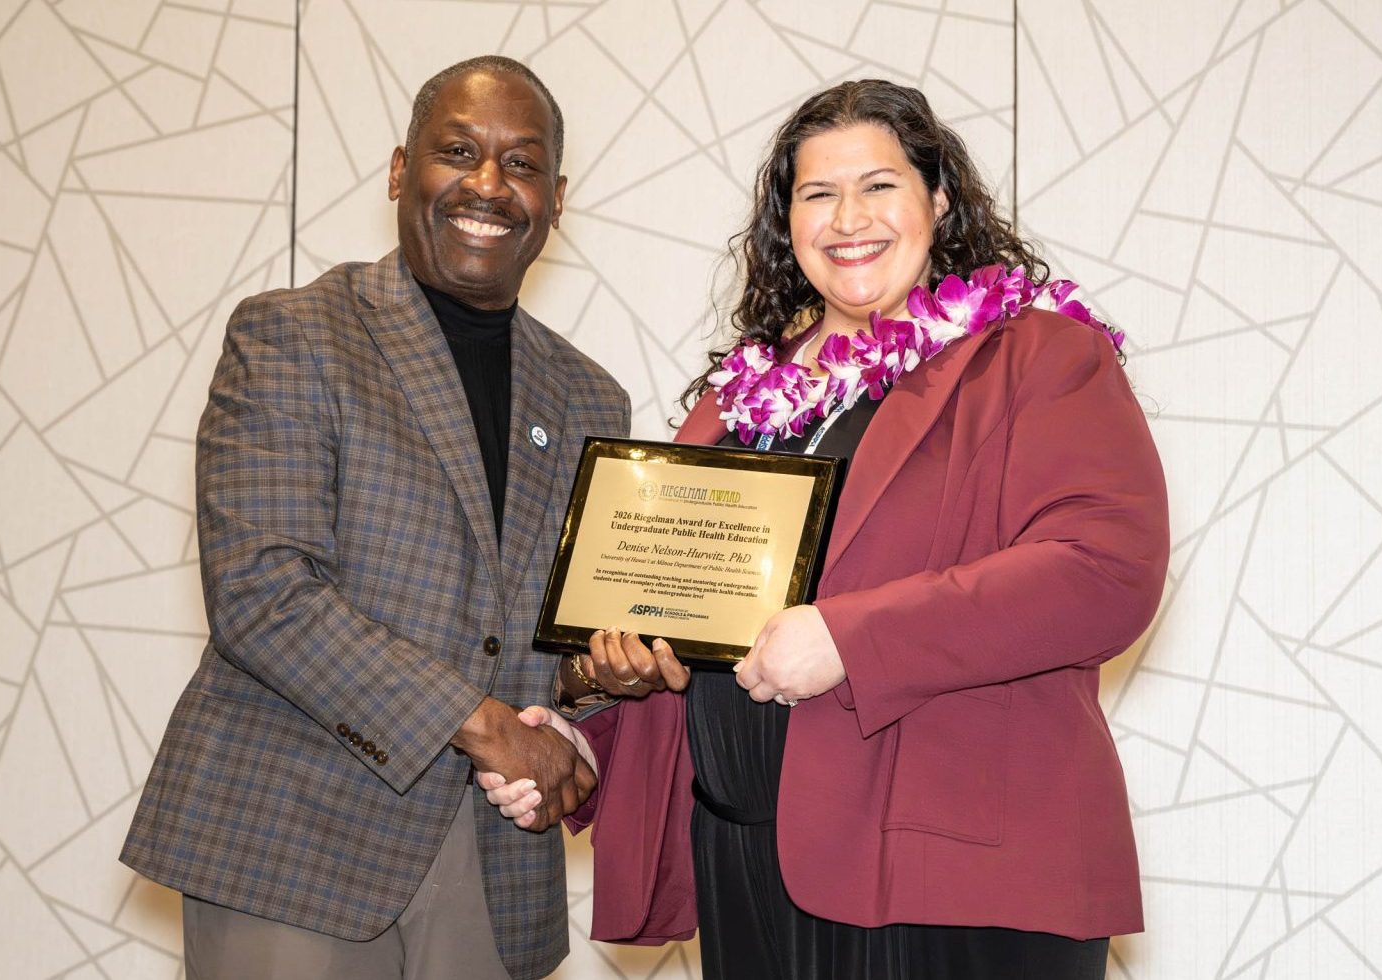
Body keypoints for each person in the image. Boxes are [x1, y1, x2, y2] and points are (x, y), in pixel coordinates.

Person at [482, 79, 1169, 979]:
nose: (850, 217)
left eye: (880, 185)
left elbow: (1102, 572)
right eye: (817, 193)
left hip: (950, 875)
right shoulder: (735, 405)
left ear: (939, 198)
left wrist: (850, 637)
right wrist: (588, 735)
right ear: (786, 220)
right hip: (747, 868)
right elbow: (691, 631)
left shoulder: (1036, 358)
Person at [119, 55, 628, 980]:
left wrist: (580, 719)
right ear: (402, 172)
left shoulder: (594, 398)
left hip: (495, 861)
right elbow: (261, 592)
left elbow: (557, 640)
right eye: (458, 151)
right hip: (295, 842)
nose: (487, 184)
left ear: (556, 201)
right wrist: (482, 722)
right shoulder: (295, 333)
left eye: (521, 164)